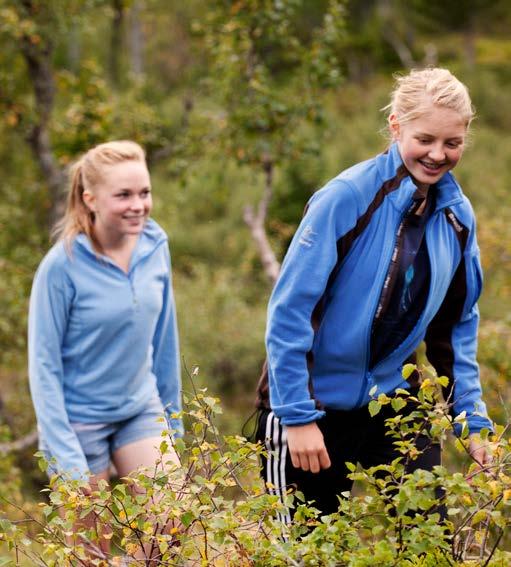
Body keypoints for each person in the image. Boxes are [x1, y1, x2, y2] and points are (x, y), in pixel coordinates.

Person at [255, 68, 493, 521]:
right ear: (396, 126)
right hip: (311, 406)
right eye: (425, 139)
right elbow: (290, 312)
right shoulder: (346, 197)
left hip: (395, 401)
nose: (437, 154)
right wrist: (299, 418)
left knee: (430, 544)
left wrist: (471, 417)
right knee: (308, 552)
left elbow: (456, 323)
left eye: (452, 143)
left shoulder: (457, 216)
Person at [28, 140, 181, 558]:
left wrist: (174, 425)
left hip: (138, 409)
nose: (138, 205)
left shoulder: (155, 244)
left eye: (144, 193)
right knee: (90, 554)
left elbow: (165, 341)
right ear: (89, 198)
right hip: (78, 423)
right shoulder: (61, 268)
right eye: (124, 195)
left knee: (170, 527)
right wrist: (65, 458)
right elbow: (43, 369)